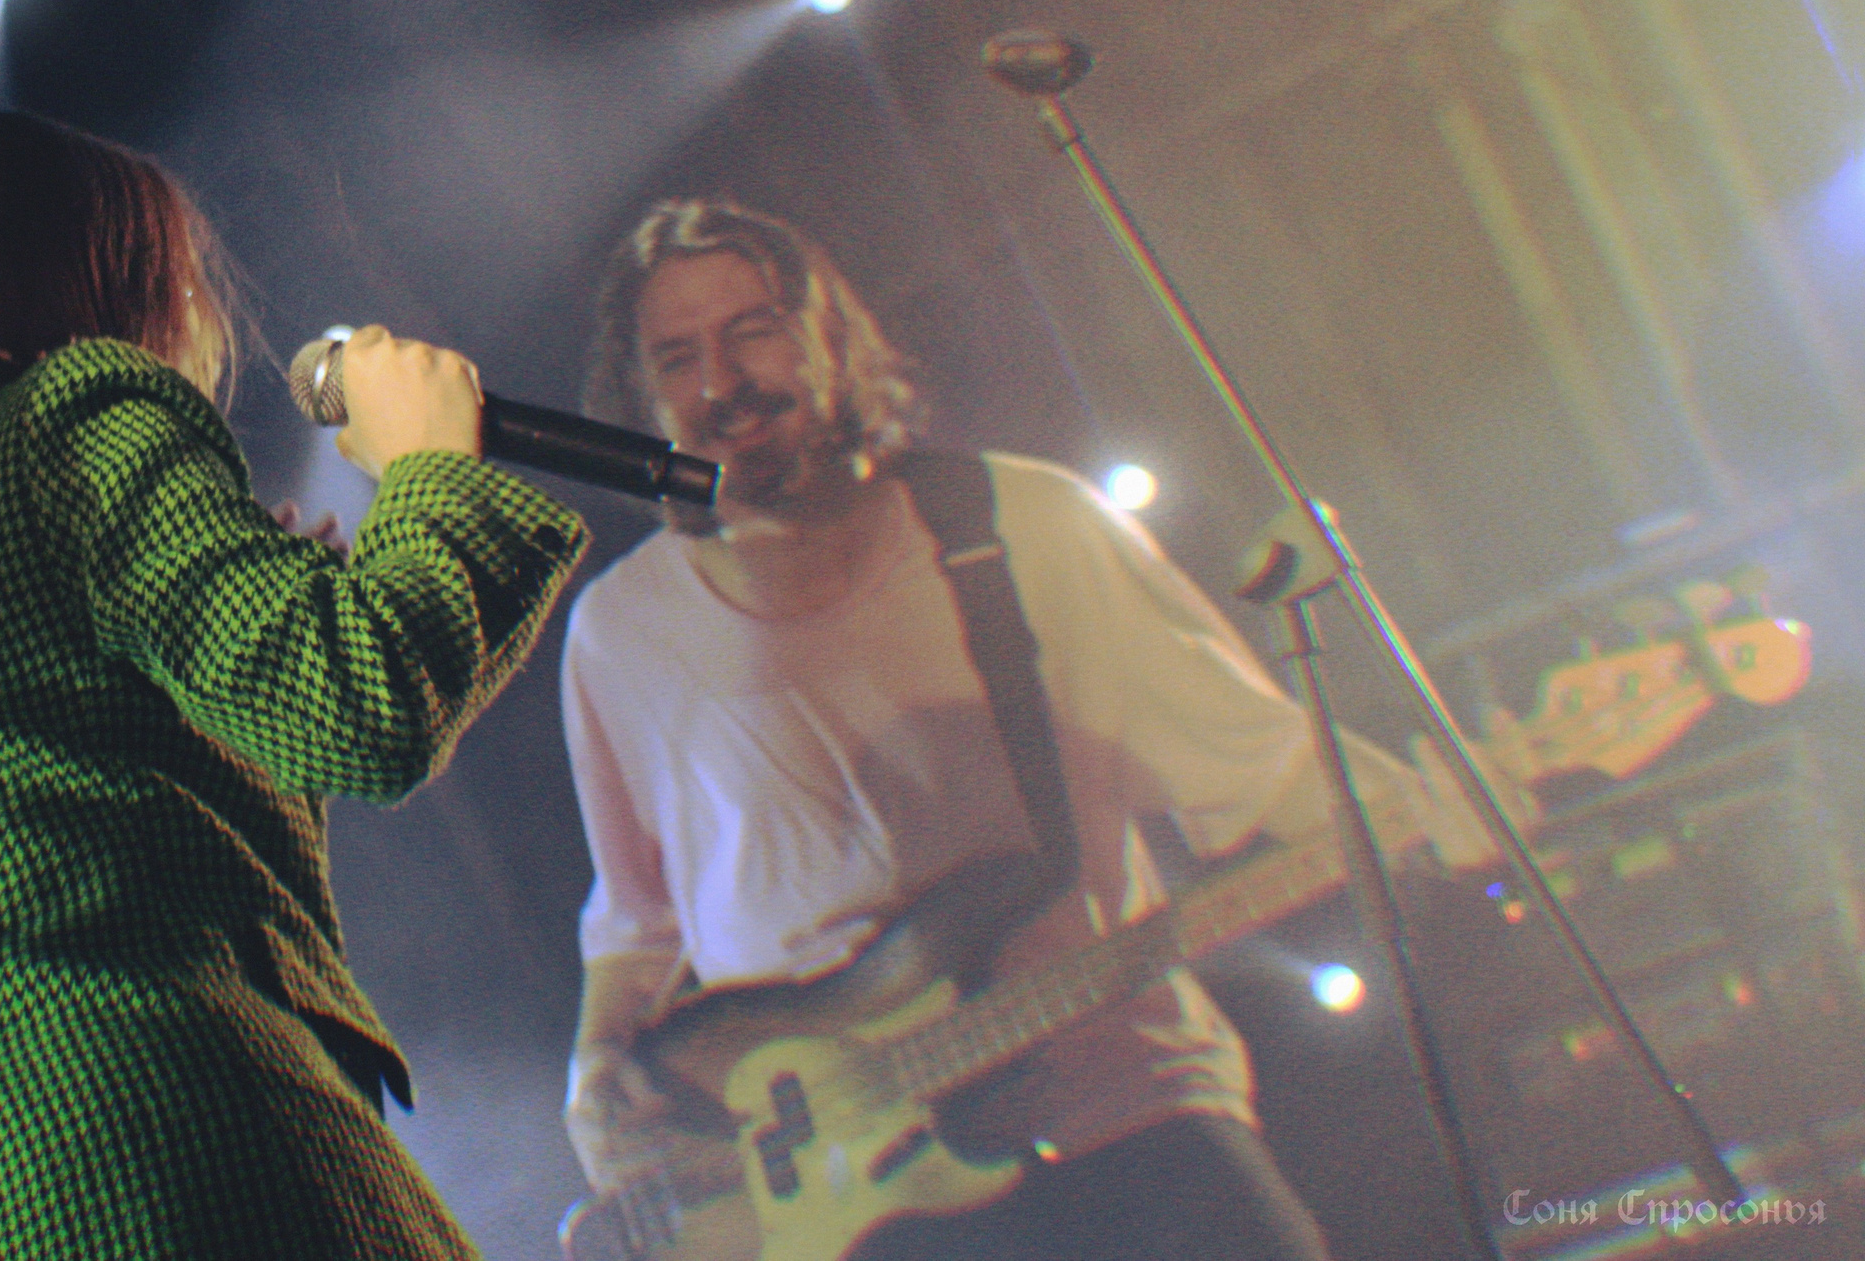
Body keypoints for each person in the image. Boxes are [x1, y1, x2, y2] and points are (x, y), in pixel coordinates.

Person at [558, 199, 1483, 1261]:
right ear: (639, 398)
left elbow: (1264, 764)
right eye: (678, 358)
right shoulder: (618, 635)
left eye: (753, 329)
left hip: (1124, 1105)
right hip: (853, 1198)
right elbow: (635, 921)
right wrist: (594, 1072)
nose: (720, 384)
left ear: (828, 335)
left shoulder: (1020, 525)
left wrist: (1440, 808)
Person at [0, 110, 588, 1260]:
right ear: (115, 279)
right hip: (157, 1147)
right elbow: (358, 708)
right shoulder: (81, 406)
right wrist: (426, 469)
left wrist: (250, 631)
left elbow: (86, 829)